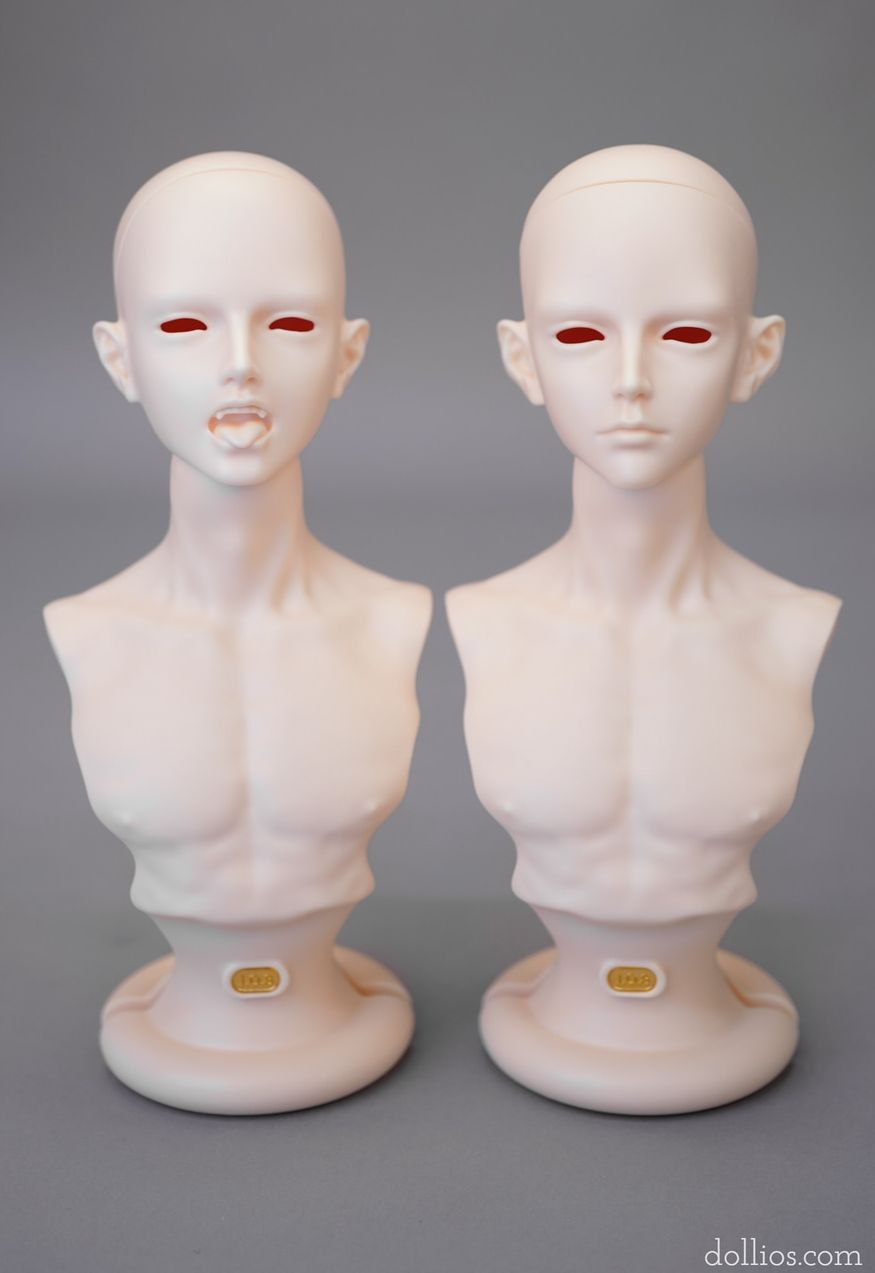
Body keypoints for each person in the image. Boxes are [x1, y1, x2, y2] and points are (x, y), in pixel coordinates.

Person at [447, 144, 841, 1114]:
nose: (630, 380)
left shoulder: (788, 628)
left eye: (686, 333)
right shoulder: (482, 619)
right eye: (580, 332)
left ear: (755, 354)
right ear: (522, 357)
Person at [45, 152, 432, 1114]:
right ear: (119, 358)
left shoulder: (392, 619)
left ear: (346, 352)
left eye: (289, 323)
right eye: (184, 325)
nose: (240, 363)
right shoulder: (91, 631)